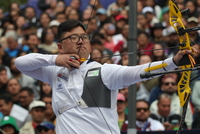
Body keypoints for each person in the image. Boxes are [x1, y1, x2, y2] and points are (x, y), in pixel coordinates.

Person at [14, 19, 193, 134]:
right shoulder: (54, 71)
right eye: (74, 37)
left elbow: (140, 71)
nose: (80, 41)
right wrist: (56, 59)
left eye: (84, 36)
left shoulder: (103, 71)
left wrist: (173, 62)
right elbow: (20, 63)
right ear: (61, 47)